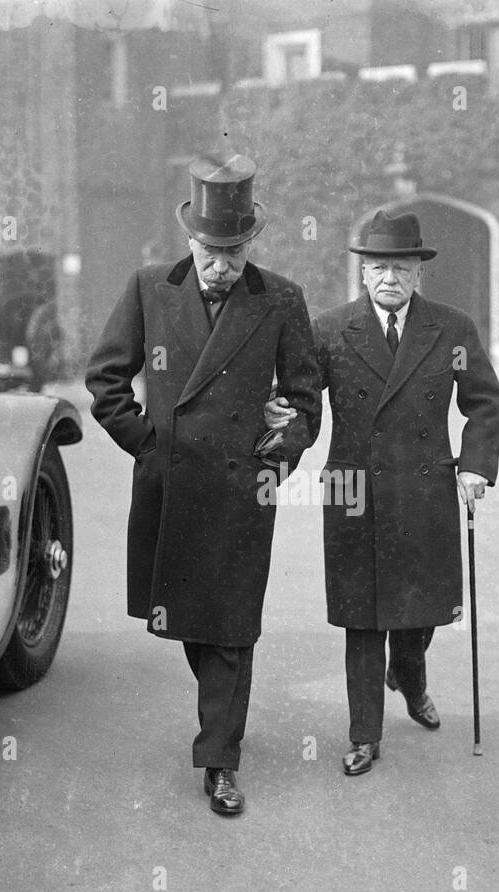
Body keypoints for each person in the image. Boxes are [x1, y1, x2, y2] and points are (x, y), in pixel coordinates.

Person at [84, 153, 321, 816]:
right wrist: (149, 447)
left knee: (231, 627)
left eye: (234, 252)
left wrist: (279, 456)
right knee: (190, 620)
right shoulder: (148, 287)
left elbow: (305, 401)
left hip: (243, 492)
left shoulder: (281, 299)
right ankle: (220, 724)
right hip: (172, 485)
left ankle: (218, 759)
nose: (221, 266)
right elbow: (105, 381)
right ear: (189, 241)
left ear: (250, 244)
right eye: (211, 252)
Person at [264, 210, 499, 776]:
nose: (388, 278)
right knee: (362, 616)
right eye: (376, 268)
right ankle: (363, 734)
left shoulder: (452, 330)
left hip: (425, 487)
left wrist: (474, 467)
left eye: (399, 268)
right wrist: (278, 428)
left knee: (420, 613)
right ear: (362, 273)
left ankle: (410, 675)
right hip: (354, 488)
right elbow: (302, 400)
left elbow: (484, 401)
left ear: (418, 274)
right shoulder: (328, 331)